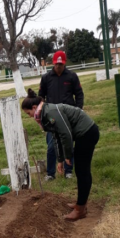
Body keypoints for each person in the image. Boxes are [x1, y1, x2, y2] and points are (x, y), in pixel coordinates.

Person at [21, 88, 99, 221]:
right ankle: (81, 203)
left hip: (87, 133)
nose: (30, 116)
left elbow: (66, 134)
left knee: (82, 171)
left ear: (34, 107)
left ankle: (80, 209)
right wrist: (60, 159)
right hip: (82, 134)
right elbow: (56, 137)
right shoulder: (45, 113)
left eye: (28, 113)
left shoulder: (50, 112)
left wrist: (68, 156)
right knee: (81, 171)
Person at [38, 50, 84, 181]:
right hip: (51, 117)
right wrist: (42, 112)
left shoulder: (72, 76)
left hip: (68, 115)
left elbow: (79, 94)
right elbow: (41, 96)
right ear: (53, 63)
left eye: (61, 64)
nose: (59, 67)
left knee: (68, 142)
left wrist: (78, 109)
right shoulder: (46, 78)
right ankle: (50, 173)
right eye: (57, 64)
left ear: (64, 63)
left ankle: (68, 171)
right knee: (52, 145)